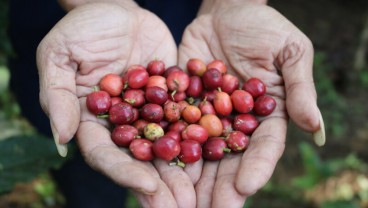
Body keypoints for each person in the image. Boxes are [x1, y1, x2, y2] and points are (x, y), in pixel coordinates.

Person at [10, 0, 325, 207]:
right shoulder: (151, 104)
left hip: (196, 17)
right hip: (85, 34)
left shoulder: (190, 106)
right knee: (87, 171)